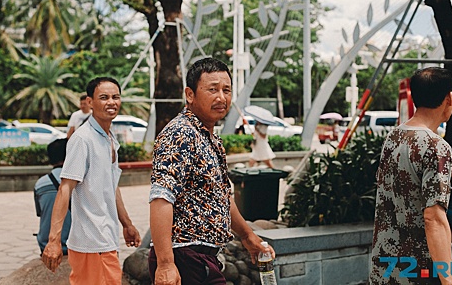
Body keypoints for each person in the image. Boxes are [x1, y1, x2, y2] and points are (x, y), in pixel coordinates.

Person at [149, 57, 275, 285]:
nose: (221, 97)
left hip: (201, 259)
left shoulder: (209, 138)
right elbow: (161, 198)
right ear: (190, 94)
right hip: (184, 257)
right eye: (212, 89)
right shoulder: (180, 134)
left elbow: (223, 196)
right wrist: (166, 263)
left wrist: (248, 237)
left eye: (226, 90)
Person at [369, 67, 452, 284]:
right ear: (450, 98)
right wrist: (449, 280)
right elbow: (433, 217)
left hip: (386, 264)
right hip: (420, 269)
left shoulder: (393, 137)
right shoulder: (436, 147)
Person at [42, 77, 141, 285]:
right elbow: (65, 189)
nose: (111, 102)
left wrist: (127, 224)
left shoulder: (109, 138)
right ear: (90, 102)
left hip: (106, 238)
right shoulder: (82, 139)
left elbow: (111, 186)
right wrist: (53, 241)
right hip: (91, 242)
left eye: (115, 97)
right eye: (103, 97)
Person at [34, 138, 71, 255]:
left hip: (47, 245)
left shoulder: (40, 184)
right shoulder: (80, 182)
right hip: (75, 246)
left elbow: (40, 213)